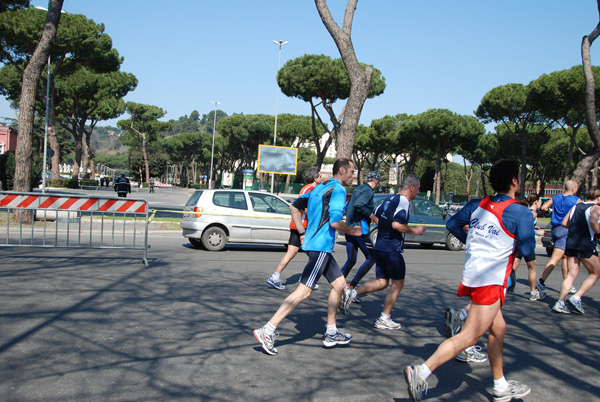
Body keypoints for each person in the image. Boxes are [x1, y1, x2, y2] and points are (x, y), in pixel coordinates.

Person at [403, 159, 535, 402]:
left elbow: (452, 224)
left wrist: (475, 241)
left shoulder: (477, 204)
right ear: (514, 181)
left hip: (474, 274)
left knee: (499, 329)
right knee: (470, 337)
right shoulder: (520, 211)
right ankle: (420, 373)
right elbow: (527, 249)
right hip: (492, 279)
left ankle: (500, 385)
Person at [253, 158, 362, 355]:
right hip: (320, 247)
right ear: (343, 171)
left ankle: (331, 332)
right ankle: (267, 330)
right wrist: (353, 232)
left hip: (316, 245)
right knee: (303, 292)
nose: (354, 176)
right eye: (352, 172)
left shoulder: (320, 187)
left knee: (339, 285)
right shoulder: (337, 190)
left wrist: (303, 233)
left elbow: (293, 207)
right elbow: (336, 222)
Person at [338, 174, 425, 329]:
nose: (418, 192)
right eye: (418, 189)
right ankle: (384, 318)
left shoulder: (389, 199)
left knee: (382, 282)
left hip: (380, 245)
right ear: (412, 187)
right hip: (392, 248)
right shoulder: (403, 202)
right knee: (398, 284)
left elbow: (376, 213)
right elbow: (397, 225)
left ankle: (352, 292)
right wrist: (415, 230)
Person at [266, 167, 323, 290]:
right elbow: (303, 208)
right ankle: (308, 280)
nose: (321, 178)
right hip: (303, 226)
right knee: (315, 253)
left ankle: (275, 276)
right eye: (320, 176)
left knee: (292, 253)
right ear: (315, 178)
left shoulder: (305, 188)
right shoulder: (312, 189)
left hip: (297, 225)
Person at [552, 186, 600, 314]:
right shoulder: (595, 208)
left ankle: (560, 302)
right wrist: (598, 232)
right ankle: (576, 297)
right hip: (585, 243)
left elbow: (564, 223)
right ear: (598, 198)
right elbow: (594, 221)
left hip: (571, 242)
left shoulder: (575, 207)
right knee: (596, 272)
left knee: (571, 274)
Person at [536, 181, 580, 298]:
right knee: (555, 259)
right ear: (574, 188)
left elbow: (544, 207)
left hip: (555, 229)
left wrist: (552, 212)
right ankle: (541, 281)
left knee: (564, 257)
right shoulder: (576, 200)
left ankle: (567, 283)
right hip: (565, 230)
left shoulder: (556, 198)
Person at [341, 170, 380, 295]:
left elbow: (348, 207)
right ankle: (351, 288)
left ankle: (338, 286)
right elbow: (359, 205)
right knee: (372, 258)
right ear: (377, 181)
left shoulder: (358, 189)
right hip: (360, 231)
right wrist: (372, 216)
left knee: (351, 260)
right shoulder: (369, 190)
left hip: (349, 228)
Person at [511, 194, 545, 300]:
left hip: (519, 243)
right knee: (532, 269)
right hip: (527, 243)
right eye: (540, 201)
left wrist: (535, 228)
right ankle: (533, 292)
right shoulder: (533, 213)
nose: (541, 203)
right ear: (535, 202)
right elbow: (527, 228)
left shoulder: (524, 212)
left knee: (512, 268)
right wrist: (538, 232)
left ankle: (504, 286)